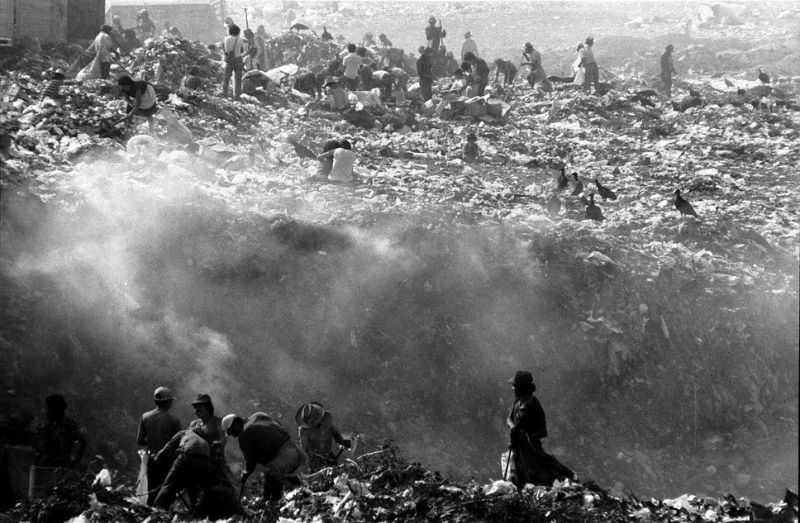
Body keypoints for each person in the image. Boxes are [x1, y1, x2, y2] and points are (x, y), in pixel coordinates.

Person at [506, 371, 574, 487]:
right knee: (519, 473)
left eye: (515, 386)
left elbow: (539, 429)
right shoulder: (517, 403)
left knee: (541, 471)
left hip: (531, 446)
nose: (513, 389)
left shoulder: (532, 404)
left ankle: (566, 480)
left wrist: (524, 435)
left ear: (522, 388)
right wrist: (514, 429)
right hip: (519, 447)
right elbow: (509, 419)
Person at [222, 412, 304, 501]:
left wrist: (244, 477)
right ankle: (295, 488)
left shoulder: (244, 436)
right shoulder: (258, 416)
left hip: (283, 460)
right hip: (295, 450)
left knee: (272, 484)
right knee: (270, 475)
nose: (233, 436)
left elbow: (250, 462)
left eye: (231, 432)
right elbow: (277, 424)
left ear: (236, 425)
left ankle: (273, 500)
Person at [136, 387, 182, 505]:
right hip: (168, 461)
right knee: (167, 491)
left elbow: (140, 441)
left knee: (152, 491)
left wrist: (152, 443)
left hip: (152, 460)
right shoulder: (174, 420)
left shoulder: (145, 417)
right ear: (167, 402)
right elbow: (180, 443)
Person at [152, 428, 215, 511]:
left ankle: (158, 509)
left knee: (170, 484)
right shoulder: (204, 442)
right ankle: (194, 511)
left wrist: (155, 460)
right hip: (204, 463)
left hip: (188, 456)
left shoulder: (185, 433)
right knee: (193, 487)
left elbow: (166, 449)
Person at [34, 394, 87, 469]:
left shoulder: (69, 425)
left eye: (50, 410)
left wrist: (74, 462)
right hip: (47, 465)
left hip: (62, 467)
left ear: (57, 410)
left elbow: (83, 441)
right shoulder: (49, 425)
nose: (47, 412)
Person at [294, 403, 350, 472]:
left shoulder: (327, 418)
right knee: (323, 477)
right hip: (316, 460)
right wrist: (320, 458)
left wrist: (342, 441)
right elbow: (305, 449)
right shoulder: (303, 431)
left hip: (328, 453)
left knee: (336, 473)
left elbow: (334, 431)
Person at [223, 24, 248, 99]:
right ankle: (237, 95)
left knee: (226, 78)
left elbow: (226, 50)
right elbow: (243, 50)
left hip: (229, 60)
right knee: (238, 79)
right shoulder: (241, 40)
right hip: (238, 59)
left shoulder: (226, 39)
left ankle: (224, 93)